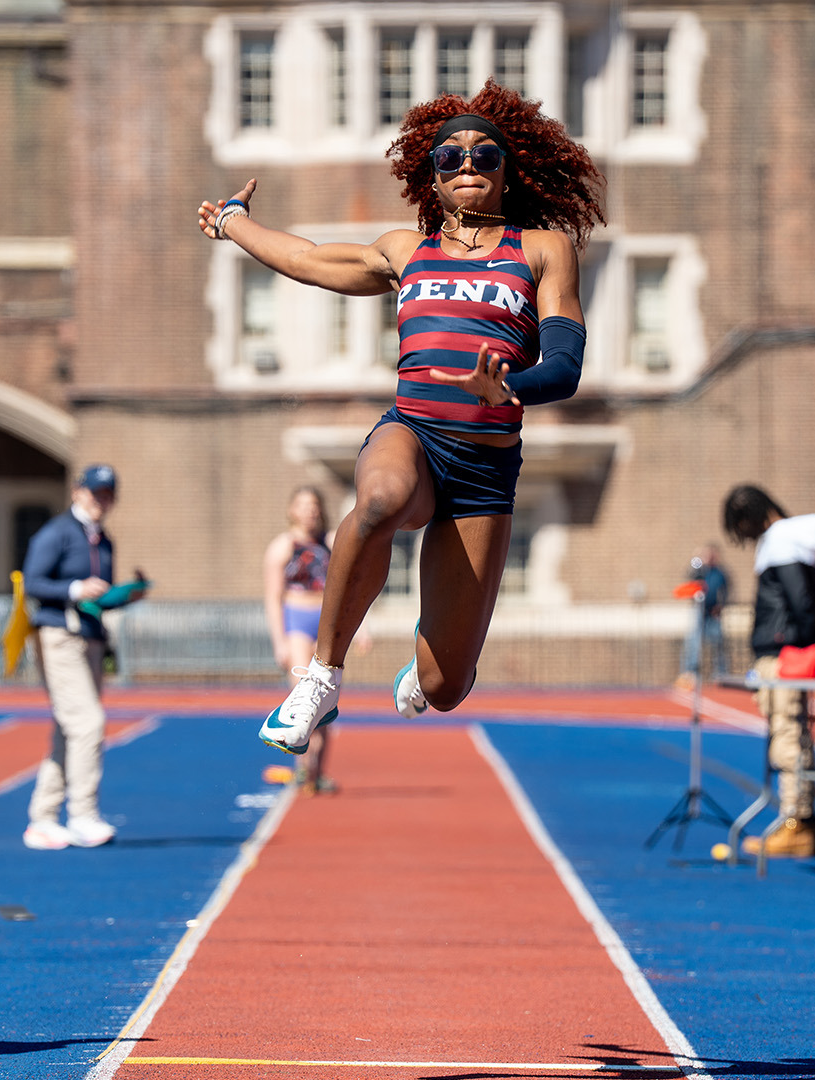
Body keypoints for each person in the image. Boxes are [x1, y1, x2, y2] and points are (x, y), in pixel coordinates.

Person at [197, 81, 604, 751]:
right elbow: (306, 258)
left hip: (484, 467)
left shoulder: (542, 249)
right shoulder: (405, 250)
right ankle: (321, 678)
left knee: (446, 690)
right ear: (431, 177)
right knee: (380, 500)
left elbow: (565, 363)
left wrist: (511, 390)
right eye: (451, 158)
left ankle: (423, 670)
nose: (468, 165)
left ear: (508, 170)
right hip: (412, 433)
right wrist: (234, 221)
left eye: (485, 156)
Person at [20, 464, 143, 849]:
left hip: (90, 639)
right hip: (59, 636)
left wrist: (124, 595)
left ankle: (42, 817)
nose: (101, 500)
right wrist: (75, 588)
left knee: (69, 727)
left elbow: (98, 597)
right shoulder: (57, 533)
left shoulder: (104, 539)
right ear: (77, 492)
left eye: (108, 494)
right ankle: (82, 814)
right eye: (95, 492)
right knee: (88, 723)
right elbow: (32, 581)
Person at [722, 485, 815, 857]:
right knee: (791, 732)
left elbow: (801, 602)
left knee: (787, 735)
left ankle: (796, 823)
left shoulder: (781, 542)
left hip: (783, 655)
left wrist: (802, 648)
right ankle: (801, 822)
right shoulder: (786, 541)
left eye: (741, 526)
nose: (743, 535)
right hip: (788, 651)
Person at [265, 486, 337, 793]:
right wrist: (279, 641)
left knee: (324, 698)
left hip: (326, 623)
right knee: (301, 695)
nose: (310, 510)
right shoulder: (283, 546)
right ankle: (302, 767)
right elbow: (272, 598)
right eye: (302, 504)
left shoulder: (331, 543)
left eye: (314, 504)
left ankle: (317, 771)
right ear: (292, 510)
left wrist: (362, 628)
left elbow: (352, 587)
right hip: (296, 620)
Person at [677, 544, 729, 689]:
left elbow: (726, 590)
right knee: (693, 643)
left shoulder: (720, 573)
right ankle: (690, 673)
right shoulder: (699, 570)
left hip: (714, 613)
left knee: (718, 643)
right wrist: (697, 559)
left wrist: (721, 605)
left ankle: (720, 673)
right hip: (699, 611)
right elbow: (690, 577)